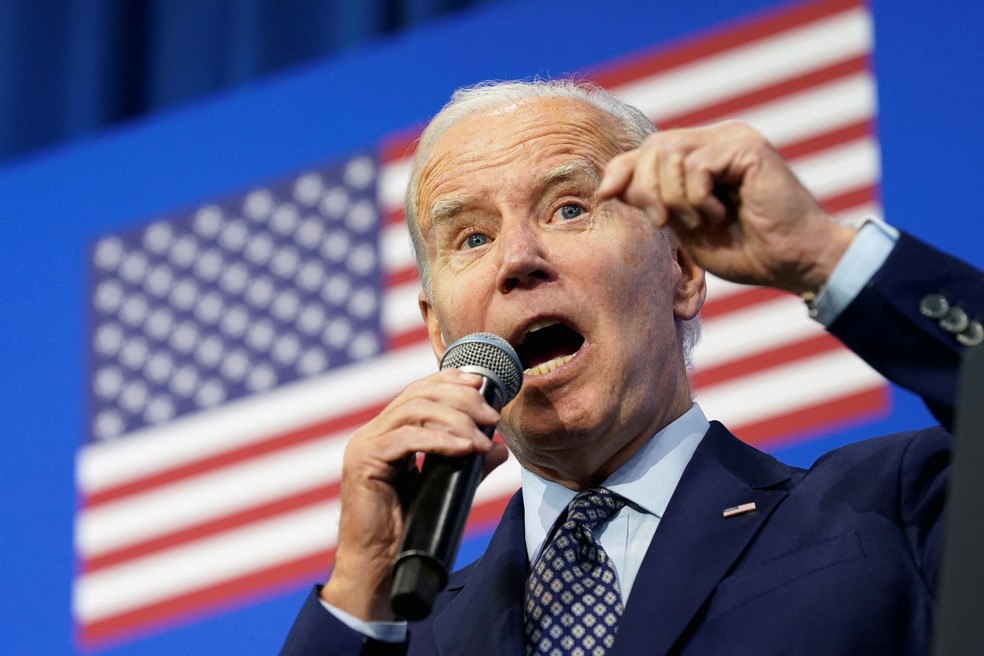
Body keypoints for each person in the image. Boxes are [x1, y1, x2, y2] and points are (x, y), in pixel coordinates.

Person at [281, 79, 984, 655]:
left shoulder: (891, 509)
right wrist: (359, 590)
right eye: (471, 235)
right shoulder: (416, 637)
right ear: (440, 331)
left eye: (568, 208)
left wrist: (824, 256)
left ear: (681, 267)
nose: (517, 259)